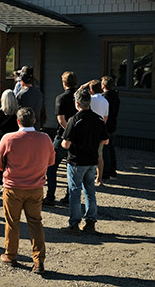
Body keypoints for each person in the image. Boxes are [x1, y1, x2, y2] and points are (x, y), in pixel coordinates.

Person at [0, 107, 54, 274]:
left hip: (13, 186)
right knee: (35, 222)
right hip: (35, 187)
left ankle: (11, 254)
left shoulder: (8, 138)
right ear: (34, 120)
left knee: (12, 222)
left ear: (18, 121)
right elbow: (51, 161)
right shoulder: (45, 138)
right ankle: (38, 260)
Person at [61, 89, 109, 235]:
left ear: (77, 103)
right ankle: (90, 222)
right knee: (90, 191)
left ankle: (74, 224)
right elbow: (105, 140)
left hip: (77, 161)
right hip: (92, 160)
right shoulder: (99, 119)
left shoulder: (74, 120)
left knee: (75, 191)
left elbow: (66, 144)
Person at [44, 71, 78, 207]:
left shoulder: (61, 98)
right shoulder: (79, 97)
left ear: (64, 83)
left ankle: (50, 196)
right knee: (72, 168)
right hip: (77, 138)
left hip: (62, 136)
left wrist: (69, 132)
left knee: (51, 167)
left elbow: (61, 119)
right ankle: (69, 196)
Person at [0, 89, 19, 196]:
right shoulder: (17, 113)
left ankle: (4, 185)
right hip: (15, 140)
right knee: (13, 163)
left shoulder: (0, 112)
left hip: (2, 139)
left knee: (1, 163)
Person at [86, 80, 109, 186]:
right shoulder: (105, 101)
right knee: (99, 155)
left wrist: (82, 87)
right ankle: (99, 178)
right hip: (99, 130)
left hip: (88, 129)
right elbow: (105, 118)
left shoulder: (89, 100)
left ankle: (86, 177)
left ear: (91, 89)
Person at [102, 76, 120, 180]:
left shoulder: (105, 97)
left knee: (105, 149)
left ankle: (106, 171)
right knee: (112, 149)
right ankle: (113, 170)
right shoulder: (115, 96)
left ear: (103, 86)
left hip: (106, 125)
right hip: (113, 124)